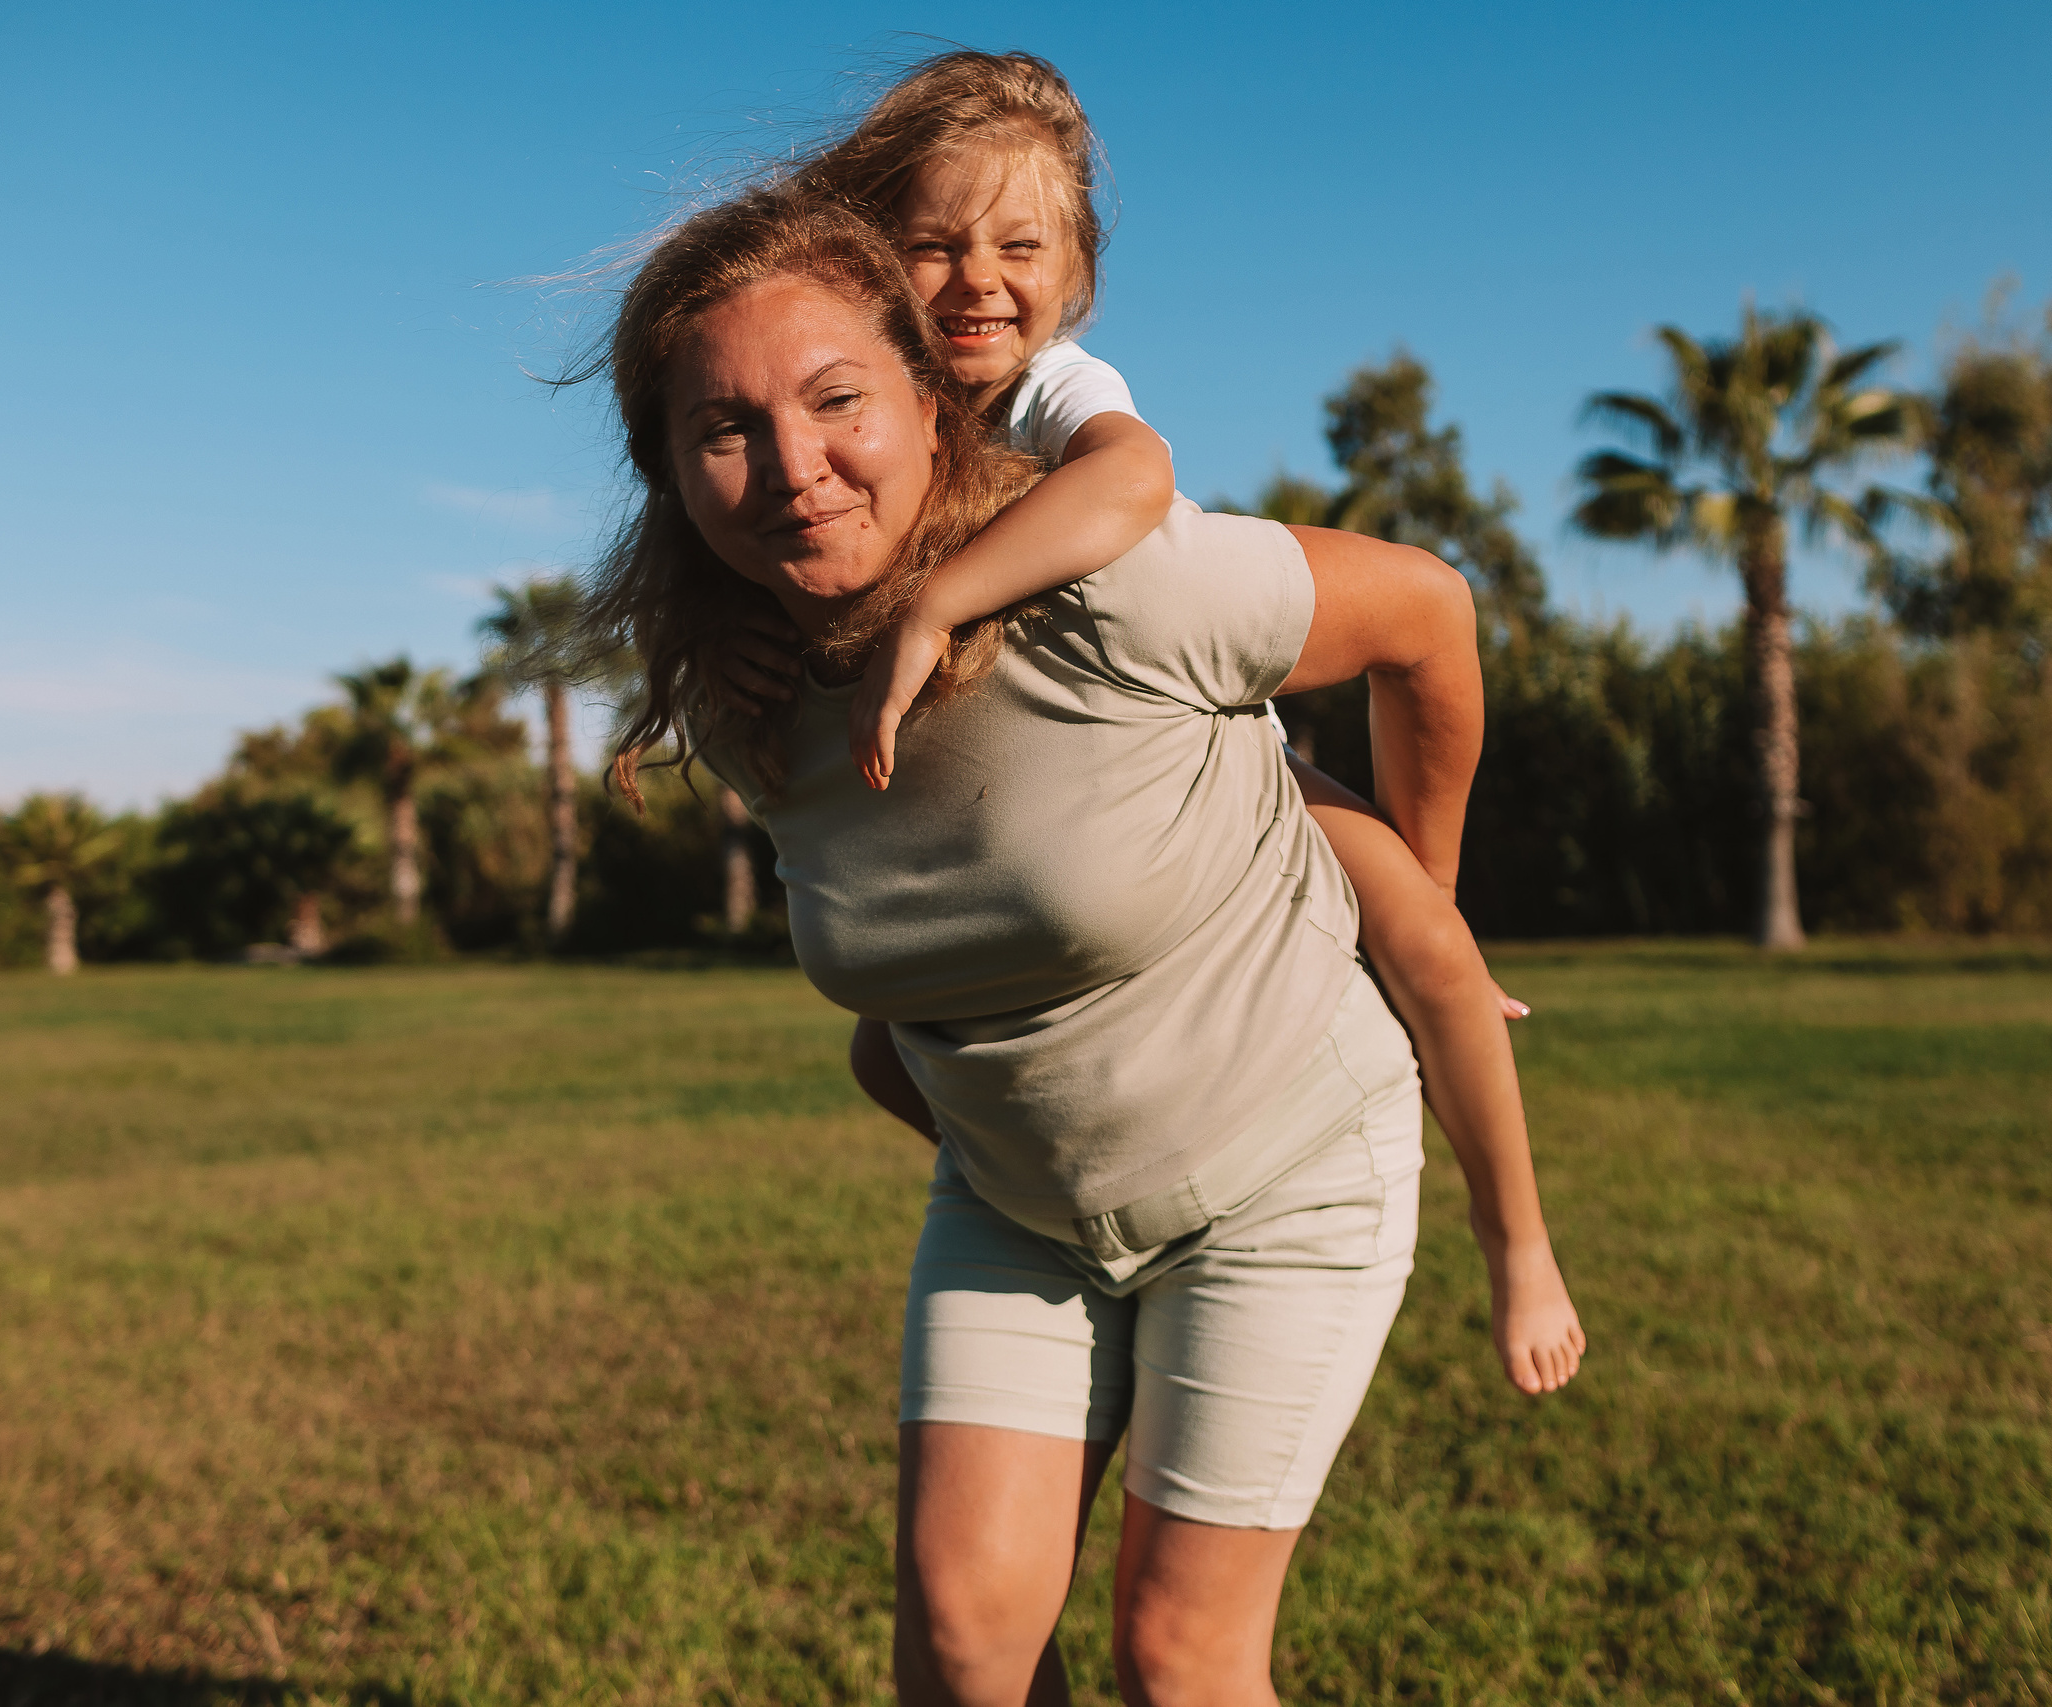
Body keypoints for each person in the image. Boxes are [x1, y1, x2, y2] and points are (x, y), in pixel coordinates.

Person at [583, 184, 1580, 1705]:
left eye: (838, 399)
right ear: (666, 471)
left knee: (1179, 1660)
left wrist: (1414, 904)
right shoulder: (744, 699)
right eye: (723, 431)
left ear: (933, 396)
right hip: (1020, 1206)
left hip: (1284, 1175)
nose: (793, 468)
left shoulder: (1113, 580)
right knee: (965, 1646)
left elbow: (1429, 612)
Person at [783, 48, 1575, 1398]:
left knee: (1433, 954)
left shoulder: (1054, 392)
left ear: (1075, 263)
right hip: (1026, 835)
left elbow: (1134, 478)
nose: (980, 278)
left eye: (1021, 244)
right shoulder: (870, 413)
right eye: (934, 242)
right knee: (885, 1043)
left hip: (1228, 766)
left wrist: (942, 601)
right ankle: (1047, 1185)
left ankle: (1520, 1250)